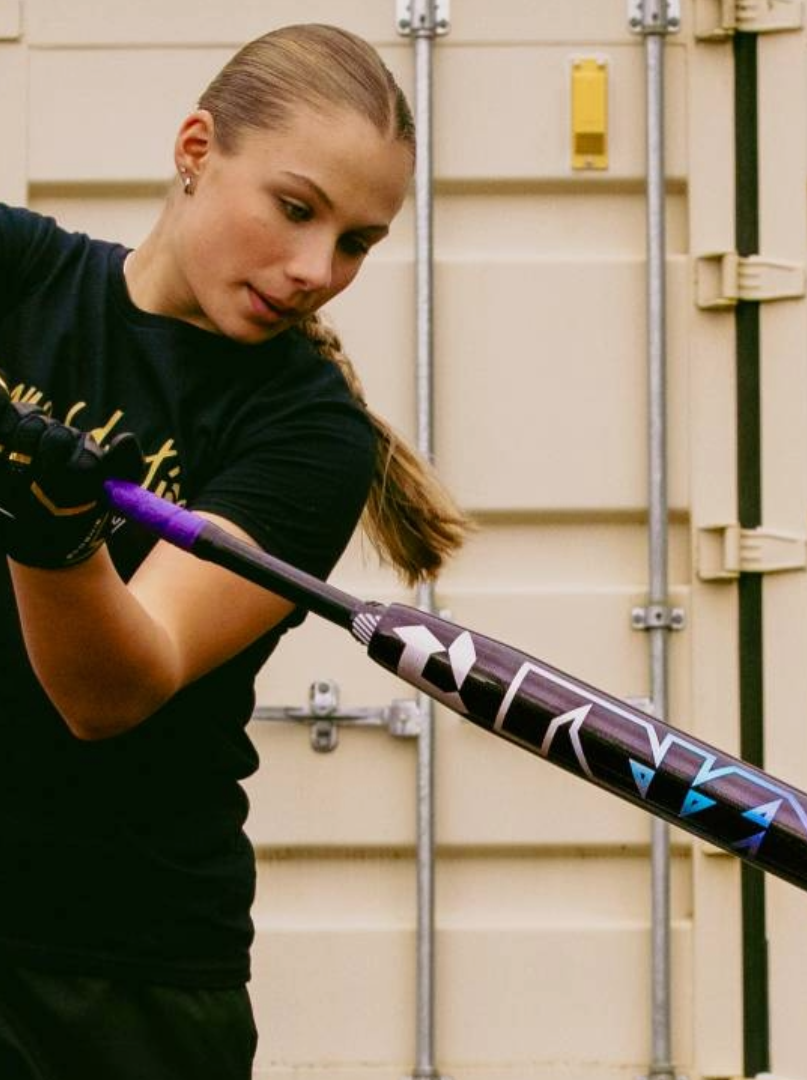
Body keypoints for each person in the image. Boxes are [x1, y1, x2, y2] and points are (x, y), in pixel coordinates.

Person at [0, 23, 468, 1080]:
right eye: (296, 210)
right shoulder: (22, 277)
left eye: (355, 242)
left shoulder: (306, 436)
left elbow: (111, 692)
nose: (315, 270)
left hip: (117, 978)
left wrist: (53, 535)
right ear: (197, 149)